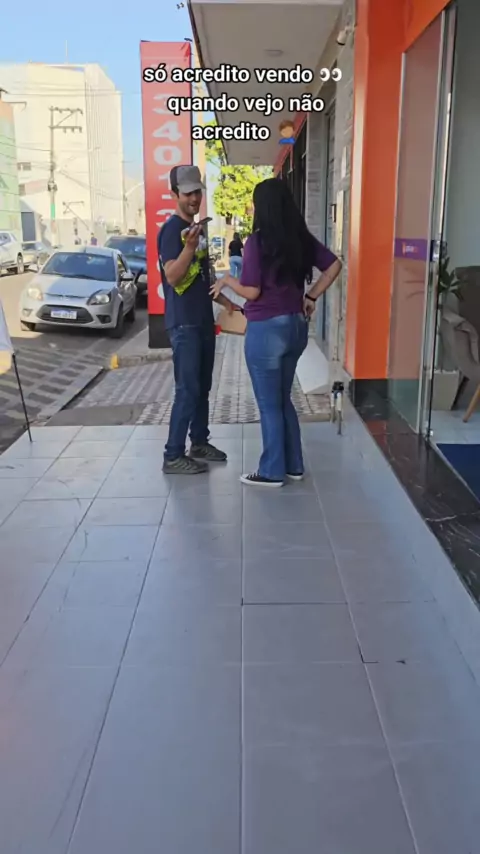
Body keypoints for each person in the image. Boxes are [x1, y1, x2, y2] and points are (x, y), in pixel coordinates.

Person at [211, 177, 342, 487]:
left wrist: (227, 281)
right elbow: (334, 265)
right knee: (283, 399)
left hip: (266, 331)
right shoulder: (301, 239)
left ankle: (272, 471)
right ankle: (293, 465)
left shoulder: (257, 242)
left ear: (263, 207)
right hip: (296, 326)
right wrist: (311, 297)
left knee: (270, 403)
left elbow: (252, 291)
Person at [158, 164, 235, 474]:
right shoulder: (171, 231)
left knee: (202, 387)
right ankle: (172, 455)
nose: (194, 198)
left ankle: (199, 442)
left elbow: (204, 279)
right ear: (174, 194)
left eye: (197, 192)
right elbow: (172, 276)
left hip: (202, 321)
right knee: (187, 389)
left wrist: (228, 303)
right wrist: (189, 247)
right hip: (184, 323)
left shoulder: (197, 229)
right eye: (188, 193)